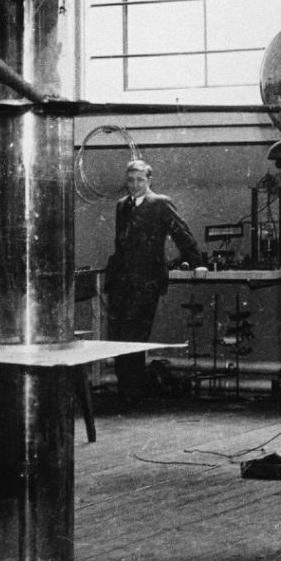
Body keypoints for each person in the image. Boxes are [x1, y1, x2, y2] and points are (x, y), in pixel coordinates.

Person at [104, 159, 204, 405]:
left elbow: (181, 232)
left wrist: (196, 262)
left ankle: (132, 392)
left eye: (140, 180)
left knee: (134, 334)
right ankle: (126, 390)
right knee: (118, 336)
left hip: (146, 281)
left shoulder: (160, 203)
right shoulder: (121, 206)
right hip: (121, 282)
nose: (134, 185)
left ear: (149, 180)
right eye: (130, 180)